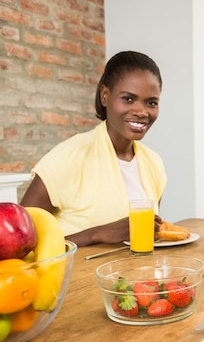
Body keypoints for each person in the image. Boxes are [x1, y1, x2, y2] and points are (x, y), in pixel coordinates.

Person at [20, 51, 167, 247]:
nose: (141, 112)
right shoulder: (67, 158)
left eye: (151, 103)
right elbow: (20, 244)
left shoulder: (153, 163)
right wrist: (97, 234)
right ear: (105, 96)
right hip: (77, 277)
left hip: (137, 275)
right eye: (128, 99)